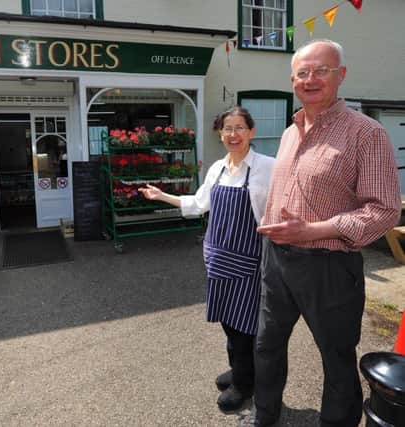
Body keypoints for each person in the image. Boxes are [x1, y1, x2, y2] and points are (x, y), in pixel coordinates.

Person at [242, 40, 402, 427]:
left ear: (340, 75)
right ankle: (265, 416)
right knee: (266, 344)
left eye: (320, 71)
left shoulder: (367, 133)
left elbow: (384, 210)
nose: (309, 79)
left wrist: (311, 229)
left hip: (329, 265)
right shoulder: (289, 132)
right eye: (301, 72)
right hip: (276, 259)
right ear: (292, 79)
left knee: (335, 356)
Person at [139, 107, 275, 412]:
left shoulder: (268, 167)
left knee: (245, 326)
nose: (233, 134)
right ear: (220, 133)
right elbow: (198, 204)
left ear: (251, 132)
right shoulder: (218, 169)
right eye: (227, 128)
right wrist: (161, 196)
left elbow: (281, 206)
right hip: (218, 260)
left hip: (248, 262)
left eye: (240, 127)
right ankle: (239, 370)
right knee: (228, 323)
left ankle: (244, 384)